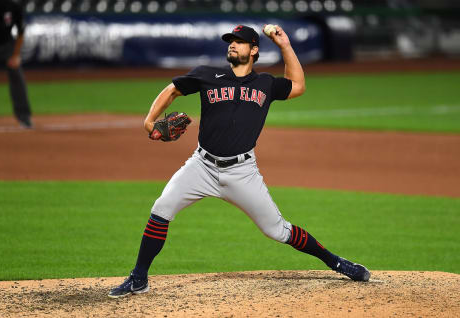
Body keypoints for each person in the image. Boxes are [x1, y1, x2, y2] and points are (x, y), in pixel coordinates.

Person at [108, 24, 370, 298]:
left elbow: (299, 86)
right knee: (161, 208)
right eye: (230, 41)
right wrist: (149, 121)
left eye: (240, 41)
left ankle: (336, 262)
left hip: (242, 172)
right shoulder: (207, 75)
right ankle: (138, 278)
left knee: (278, 230)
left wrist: (285, 46)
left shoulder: (265, 83)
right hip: (201, 167)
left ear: (254, 49)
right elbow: (173, 89)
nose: (232, 44)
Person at [0, 0, 33, 128]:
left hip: (6, 45)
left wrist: (15, 56)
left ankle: (24, 117)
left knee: (17, 75)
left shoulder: (14, 6)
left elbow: (20, 32)